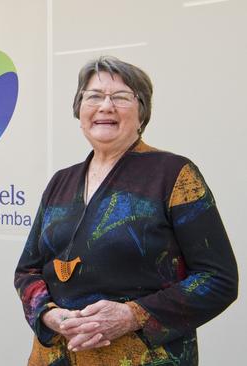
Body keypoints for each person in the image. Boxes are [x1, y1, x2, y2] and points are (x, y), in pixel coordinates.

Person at [14, 56, 238, 366]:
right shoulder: (60, 181)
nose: (105, 106)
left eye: (121, 97)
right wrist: (50, 316)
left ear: (141, 111)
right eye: (93, 96)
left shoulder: (174, 175)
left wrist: (131, 315)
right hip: (55, 357)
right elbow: (27, 270)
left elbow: (218, 279)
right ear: (79, 109)